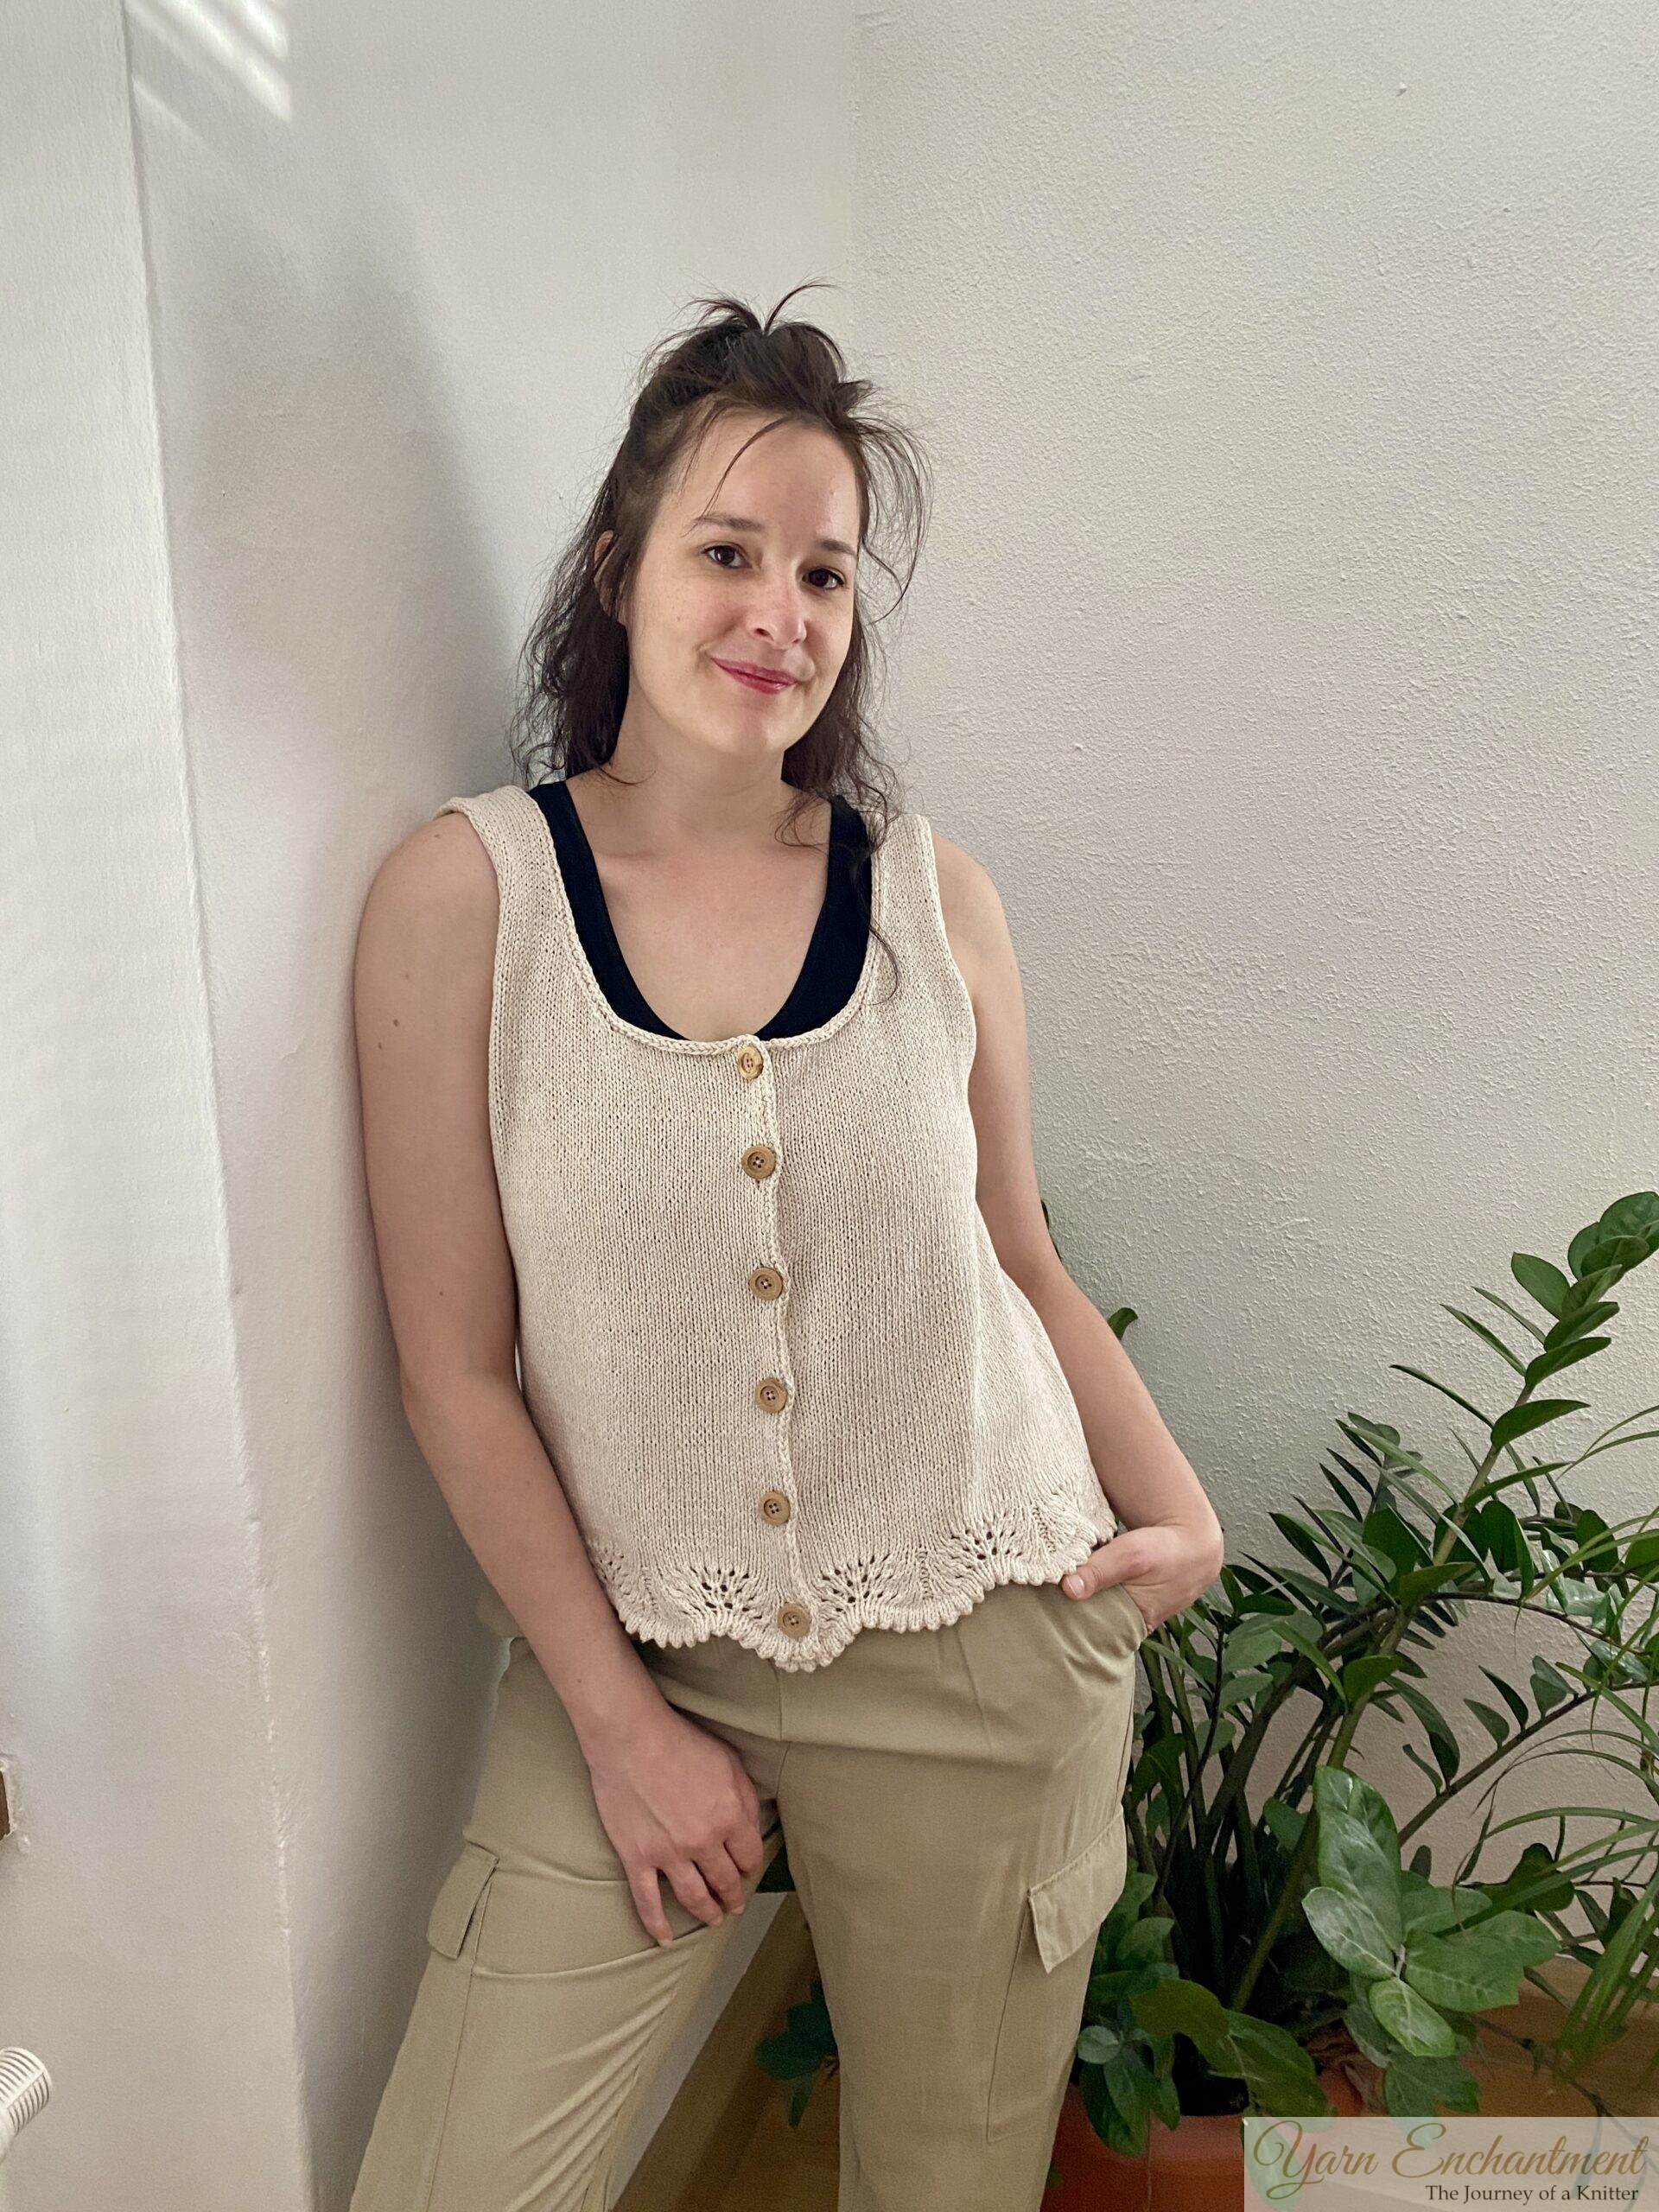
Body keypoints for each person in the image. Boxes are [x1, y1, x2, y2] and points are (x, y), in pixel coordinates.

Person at [348, 285, 1224, 2212]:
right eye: (729, 550)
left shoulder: (935, 900)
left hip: (980, 1656)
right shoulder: (463, 897)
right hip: (637, 1647)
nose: (781, 611)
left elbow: (1020, 1247)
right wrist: (616, 1718)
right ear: (619, 567)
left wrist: (1178, 1507)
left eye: (825, 571)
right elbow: (453, 1367)